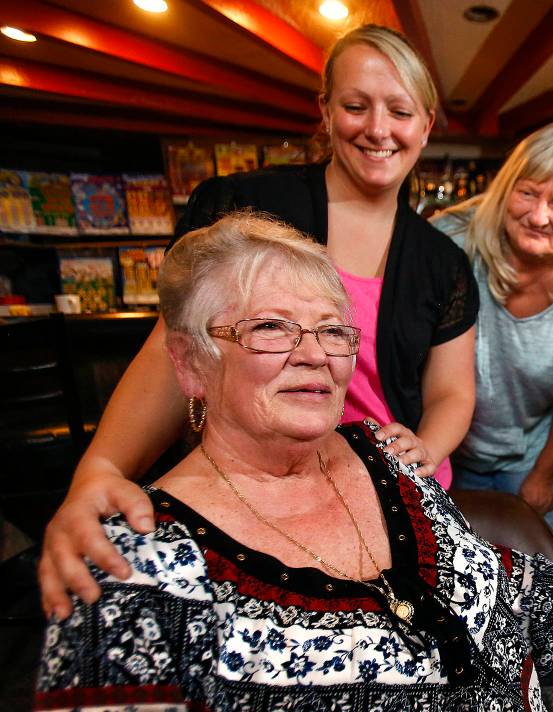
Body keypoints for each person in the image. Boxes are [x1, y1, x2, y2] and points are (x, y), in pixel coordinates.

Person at [34, 212, 553, 711]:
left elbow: (507, 588)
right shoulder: (127, 564)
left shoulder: (385, 457)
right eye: (271, 329)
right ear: (191, 365)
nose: (314, 353)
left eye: (330, 330)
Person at [39, 24, 478, 621]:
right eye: (355, 106)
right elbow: (175, 354)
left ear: (425, 124)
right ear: (325, 112)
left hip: (387, 493)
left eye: (399, 111)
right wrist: (100, 470)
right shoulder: (247, 209)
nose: (378, 129)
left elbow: (452, 391)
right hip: (257, 487)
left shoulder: (443, 260)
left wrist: (426, 447)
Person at [431, 122, 553, 543]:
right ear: (506, 189)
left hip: (529, 456)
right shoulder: (453, 242)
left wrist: (544, 474)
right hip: (445, 453)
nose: (539, 217)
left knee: (545, 586)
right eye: (528, 192)